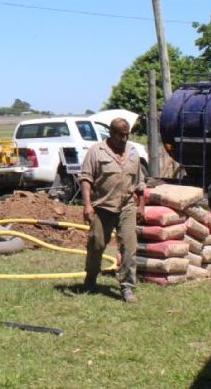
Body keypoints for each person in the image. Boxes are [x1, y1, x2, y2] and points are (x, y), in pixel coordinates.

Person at [79, 117, 145, 303]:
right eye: (120, 135)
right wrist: (87, 205)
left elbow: (139, 183)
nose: (124, 139)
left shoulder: (133, 152)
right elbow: (86, 179)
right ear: (111, 133)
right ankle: (91, 277)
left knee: (129, 247)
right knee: (97, 244)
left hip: (127, 207)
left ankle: (127, 287)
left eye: (126, 135)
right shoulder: (96, 152)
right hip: (103, 207)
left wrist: (141, 205)